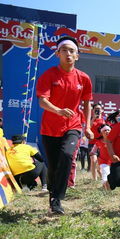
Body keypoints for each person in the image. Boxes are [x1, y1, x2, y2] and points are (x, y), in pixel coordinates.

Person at [37, 36, 93, 214]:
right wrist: (59, 110)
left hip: (73, 125)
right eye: (64, 50)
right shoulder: (49, 75)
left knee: (68, 155)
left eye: (72, 51)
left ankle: (58, 199)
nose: (68, 54)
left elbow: (86, 103)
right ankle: (53, 199)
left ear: (77, 56)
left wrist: (88, 126)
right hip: (50, 128)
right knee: (53, 166)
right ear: (57, 54)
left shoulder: (84, 78)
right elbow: (42, 102)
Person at [89, 103, 105, 179]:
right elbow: (88, 128)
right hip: (92, 143)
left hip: (101, 144)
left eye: (99, 109)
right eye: (96, 109)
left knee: (100, 164)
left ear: (102, 110)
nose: (97, 111)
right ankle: (94, 179)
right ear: (93, 110)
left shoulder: (104, 119)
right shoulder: (90, 119)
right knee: (93, 160)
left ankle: (102, 176)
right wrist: (93, 119)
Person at [94, 124, 112, 189]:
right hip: (103, 161)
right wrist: (92, 152)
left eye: (108, 130)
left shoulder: (114, 140)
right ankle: (105, 187)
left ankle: (109, 186)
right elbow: (94, 149)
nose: (107, 131)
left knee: (113, 175)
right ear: (101, 133)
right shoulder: (99, 141)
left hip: (113, 161)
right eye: (105, 130)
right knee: (105, 174)